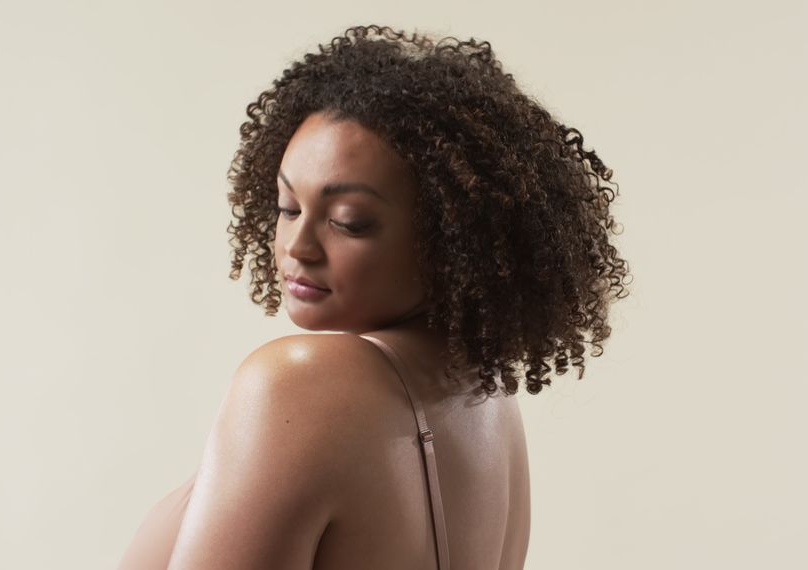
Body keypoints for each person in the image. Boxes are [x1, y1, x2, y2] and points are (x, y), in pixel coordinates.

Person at [117, 23, 631, 570]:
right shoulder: (484, 398)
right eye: (288, 207)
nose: (297, 244)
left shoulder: (303, 382)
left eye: (349, 222)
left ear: (452, 240)